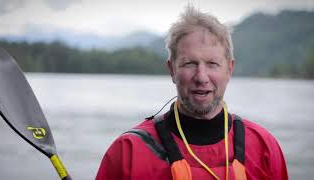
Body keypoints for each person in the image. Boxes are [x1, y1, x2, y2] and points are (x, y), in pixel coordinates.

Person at [96, 6, 288, 180]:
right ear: (172, 69)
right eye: (189, 63)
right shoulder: (128, 152)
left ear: (229, 69)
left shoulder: (264, 147)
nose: (201, 77)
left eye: (212, 64)